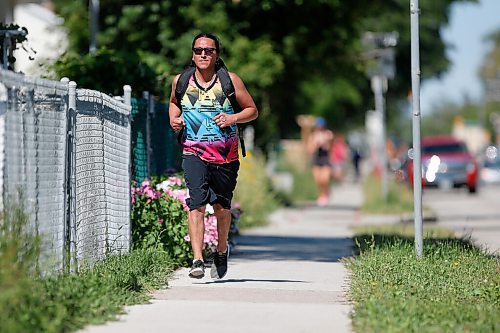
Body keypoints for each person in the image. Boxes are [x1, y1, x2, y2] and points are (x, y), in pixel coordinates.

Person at [169, 33, 258, 279]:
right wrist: (173, 120)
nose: (203, 54)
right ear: (192, 54)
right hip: (193, 151)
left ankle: (221, 250)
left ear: (217, 54)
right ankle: (197, 260)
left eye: (208, 50)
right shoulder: (182, 81)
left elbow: (252, 110)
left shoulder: (229, 81)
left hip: (225, 156)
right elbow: (174, 103)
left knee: (221, 207)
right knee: (196, 203)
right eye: (198, 50)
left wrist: (233, 118)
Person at [307, 117, 334, 206]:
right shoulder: (312, 136)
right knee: (318, 180)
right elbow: (310, 151)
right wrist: (316, 143)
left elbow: (330, 149)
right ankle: (321, 195)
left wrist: (326, 142)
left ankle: (326, 193)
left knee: (325, 179)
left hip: (325, 158)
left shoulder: (328, 135)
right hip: (316, 159)